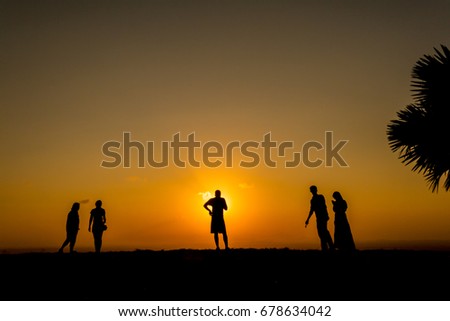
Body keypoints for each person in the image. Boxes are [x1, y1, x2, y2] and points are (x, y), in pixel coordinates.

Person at [305, 185, 334, 251]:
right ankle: (327, 247)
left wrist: (308, 219)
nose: (312, 191)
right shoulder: (313, 200)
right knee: (322, 232)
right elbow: (312, 210)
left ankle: (329, 247)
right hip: (320, 217)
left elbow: (323, 207)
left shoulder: (320, 197)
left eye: (312, 190)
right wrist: (308, 219)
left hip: (322, 217)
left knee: (323, 232)